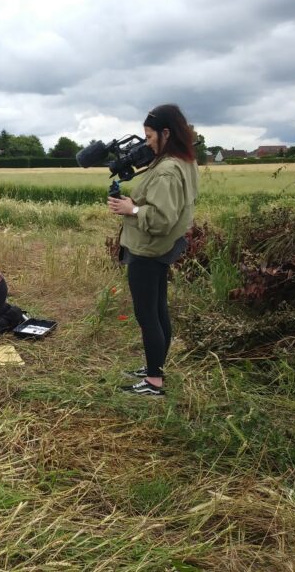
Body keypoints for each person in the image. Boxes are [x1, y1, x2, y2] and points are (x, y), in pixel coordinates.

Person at [108, 104, 200, 397]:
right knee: (159, 311)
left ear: (166, 133)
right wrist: (133, 204)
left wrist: (131, 208)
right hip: (161, 248)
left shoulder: (167, 171)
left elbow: (161, 219)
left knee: (147, 315)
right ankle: (154, 368)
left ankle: (153, 383)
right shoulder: (181, 161)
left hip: (148, 250)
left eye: (149, 136)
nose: (146, 142)